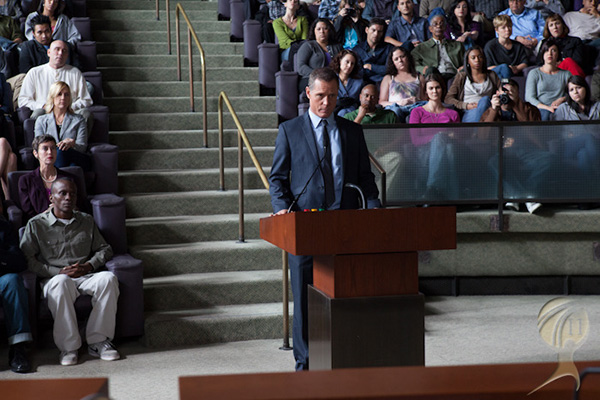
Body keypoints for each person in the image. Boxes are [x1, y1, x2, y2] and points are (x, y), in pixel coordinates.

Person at [269, 67, 380, 371]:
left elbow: (365, 179)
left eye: (332, 96)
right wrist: (281, 208)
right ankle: (305, 364)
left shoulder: (352, 132)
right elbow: (277, 179)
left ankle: (345, 359)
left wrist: (374, 209)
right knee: (304, 300)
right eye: (320, 96)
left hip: (344, 224)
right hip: (304, 227)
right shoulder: (290, 131)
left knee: (344, 294)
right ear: (308, 94)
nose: (326, 103)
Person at [20, 178, 120, 367]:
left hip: (84, 275)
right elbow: (27, 260)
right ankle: (69, 347)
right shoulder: (36, 225)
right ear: (52, 197)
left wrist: (89, 266)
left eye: (72, 193)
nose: (68, 198)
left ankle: (98, 341)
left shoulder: (86, 220)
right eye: (63, 193)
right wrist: (57, 271)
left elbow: (105, 249)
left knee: (108, 278)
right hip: (54, 279)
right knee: (61, 283)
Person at [481, 78, 550, 213]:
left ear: (519, 93)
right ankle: (528, 197)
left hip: (529, 151)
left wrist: (516, 105)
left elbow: (536, 134)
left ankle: (516, 196)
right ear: (497, 93)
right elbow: (483, 137)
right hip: (505, 153)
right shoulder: (491, 111)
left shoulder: (530, 109)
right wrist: (494, 110)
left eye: (511, 91)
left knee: (550, 159)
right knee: (494, 162)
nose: (507, 95)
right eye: (504, 91)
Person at [409, 73, 461, 199]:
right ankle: (455, 197)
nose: (434, 91)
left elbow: (459, 138)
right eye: (431, 88)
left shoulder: (453, 114)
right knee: (443, 143)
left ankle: (432, 189)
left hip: (450, 151)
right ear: (426, 91)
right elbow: (415, 141)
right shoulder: (417, 112)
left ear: (442, 89)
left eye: (437, 87)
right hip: (424, 152)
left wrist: (447, 137)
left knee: (449, 149)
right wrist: (439, 135)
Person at [18, 40, 92, 125]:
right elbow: (23, 100)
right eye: (57, 49)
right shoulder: (34, 72)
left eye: (64, 51)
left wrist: (68, 107)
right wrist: (43, 106)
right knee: (38, 113)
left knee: (85, 113)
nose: (60, 53)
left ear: (67, 55)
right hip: (45, 112)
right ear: (49, 52)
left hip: (70, 113)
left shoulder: (75, 72)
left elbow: (86, 100)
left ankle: (78, 138)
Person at [18, 135, 86, 221]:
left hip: (67, 222)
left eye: (53, 148)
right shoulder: (26, 180)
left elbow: (80, 207)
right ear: (36, 154)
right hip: (40, 225)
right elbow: (27, 213)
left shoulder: (69, 178)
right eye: (45, 148)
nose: (50, 152)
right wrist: (48, 213)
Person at [0, 198, 33, 373]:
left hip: (1, 278)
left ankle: (18, 349)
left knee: (13, 281)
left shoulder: (4, 227)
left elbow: (19, 261)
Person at [552, 75, 600, 180]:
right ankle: (596, 166)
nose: (575, 92)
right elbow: (554, 132)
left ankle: (588, 185)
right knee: (588, 137)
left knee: (583, 154)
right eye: (571, 90)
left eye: (578, 88)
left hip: (595, 145)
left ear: (585, 88)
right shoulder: (563, 109)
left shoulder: (598, 106)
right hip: (569, 146)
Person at [35, 81, 90, 171]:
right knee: (72, 167)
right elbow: (38, 146)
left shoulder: (79, 119)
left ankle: (53, 182)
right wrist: (56, 146)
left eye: (66, 95)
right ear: (52, 97)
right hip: (51, 158)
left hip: (76, 155)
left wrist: (72, 144)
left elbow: (83, 147)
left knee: (61, 152)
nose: (63, 98)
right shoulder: (41, 120)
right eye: (59, 94)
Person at [445, 46, 501, 122]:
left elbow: (501, 92)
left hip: (489, 111)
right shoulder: (462, 76)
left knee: (485, 100)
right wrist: (466, 105)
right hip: (469, 112)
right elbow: (448, 99)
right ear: (468, 60)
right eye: (473, 58)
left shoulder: (492, 75)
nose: (477, 60)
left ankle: (478, 132)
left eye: (480, 57)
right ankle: (481, 131)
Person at [525, 39, 572, 121]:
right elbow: (529, 98)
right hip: (540, 108)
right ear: (542, 54)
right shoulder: (534, 73)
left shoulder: (566, 74)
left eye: (553, 51)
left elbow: (572, 93)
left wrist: (562, 99)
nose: (549, 54)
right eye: (546, 51)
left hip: (561, 107)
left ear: (558, 54)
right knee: (545, 114)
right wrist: (547, 108)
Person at [379, 46, 426, 121]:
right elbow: (381, 102)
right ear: (393, 63)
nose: (400, 60)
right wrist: (399, 103)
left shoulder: (419, 77)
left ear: (408, 58)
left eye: (402, 57)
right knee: (396, 111)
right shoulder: (388, 78)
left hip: (414, 107)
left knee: (416, 112)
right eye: (396, 59)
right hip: (396, 108)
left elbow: (425, 100)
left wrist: (417, 100)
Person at [411, 14, 465, 80]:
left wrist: (463, 67)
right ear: (430, 29)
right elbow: (412, 63)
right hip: (434, 76)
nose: (439, 26)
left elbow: (466, 60)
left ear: (445, 27)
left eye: (441, 24)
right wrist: (423, 69)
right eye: (435, 24)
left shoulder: (458, 45)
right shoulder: (421, 48)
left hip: (454, 75)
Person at [296, 18, 342, 91]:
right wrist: (318, 75)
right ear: (314, 31)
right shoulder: (308, 46)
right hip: (311, 79)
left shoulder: (337, 47)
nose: (322, 32)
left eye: (325, 29)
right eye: (319, 29)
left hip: (334, 79)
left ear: (329, 31)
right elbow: (301, 67)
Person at [484, 15, 529, 79]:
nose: (507, 29)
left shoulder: (518, 46)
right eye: (503, 27)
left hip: (515, 73)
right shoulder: (490, 46)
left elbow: (525, 63)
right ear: (496, 30)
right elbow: (488, 67)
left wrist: (516, 68)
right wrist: (506, 69)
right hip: (497, 76)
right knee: (505, 67)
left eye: (509, 26)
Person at [352, 18, 391, 83]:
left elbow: (389, 69)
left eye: (380, 31)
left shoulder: (389, 48)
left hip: (384, 83)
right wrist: (379, 69)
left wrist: (370, 66)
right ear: (367, 30)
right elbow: (358, 72)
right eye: (373, 30)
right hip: (363, 83)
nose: (376, 34)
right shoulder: (357, 49)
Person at [330, 49, 363, 115]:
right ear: (340, 61)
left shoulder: (359, 82)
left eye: (352, 63)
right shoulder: (330, 79)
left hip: (352, 114)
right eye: (347, 62)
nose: (349, 66)